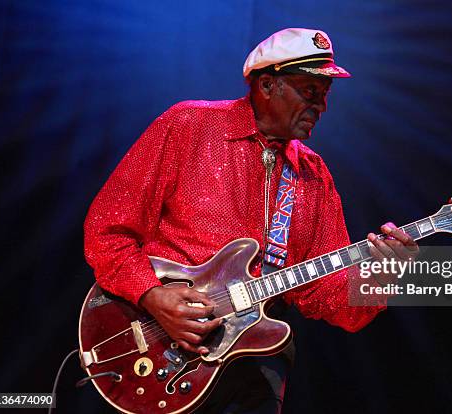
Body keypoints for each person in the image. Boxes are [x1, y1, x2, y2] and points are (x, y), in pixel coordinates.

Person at [84, 28, 418, 413]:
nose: (321, 107)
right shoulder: (188, 125)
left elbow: (327, 296)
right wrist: (152, 295)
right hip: (164, 350)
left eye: (324, 97)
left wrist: (380, 276)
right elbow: (107, 230)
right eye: (310, 92)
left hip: (258, 360)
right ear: (267, 85)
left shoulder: (313, 175)